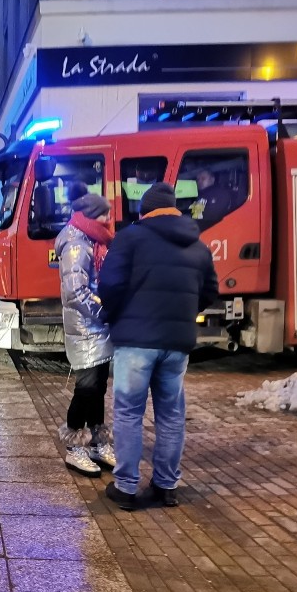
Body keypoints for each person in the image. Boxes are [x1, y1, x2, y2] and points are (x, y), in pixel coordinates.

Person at [99, 182, 218, 511]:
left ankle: (125, 488)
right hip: (176, 344)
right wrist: (182, 315)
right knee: (171, 416)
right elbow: (209, 291)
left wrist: (113, 316)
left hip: (135, 341)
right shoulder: (198, 245)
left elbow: (110, 284)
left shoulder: (131, 238)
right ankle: (166, 486)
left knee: (128, 413)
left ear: (145, 210)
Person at [55, 183, 116, 477]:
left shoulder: (92, 239)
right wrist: (105, 313)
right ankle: (74, 446)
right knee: (87, 388)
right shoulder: (77, 243)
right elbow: (76, 291)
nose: (109, 220)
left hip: (97, 327)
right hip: (87, 327)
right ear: (93, 216)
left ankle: (96, 441)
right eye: (105, 215)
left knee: (98, 387)